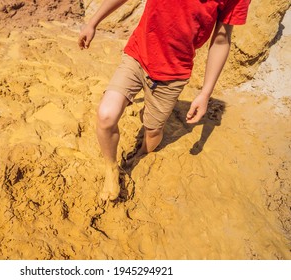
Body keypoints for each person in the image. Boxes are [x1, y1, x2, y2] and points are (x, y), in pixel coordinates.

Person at [78, 0, 250, 201]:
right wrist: (93, 22)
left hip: (173, 74)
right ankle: (111, 167)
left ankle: (141, 153)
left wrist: (205, 94)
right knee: (106, 115)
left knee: (152, 132)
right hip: (137, 55)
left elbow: (221, 40)